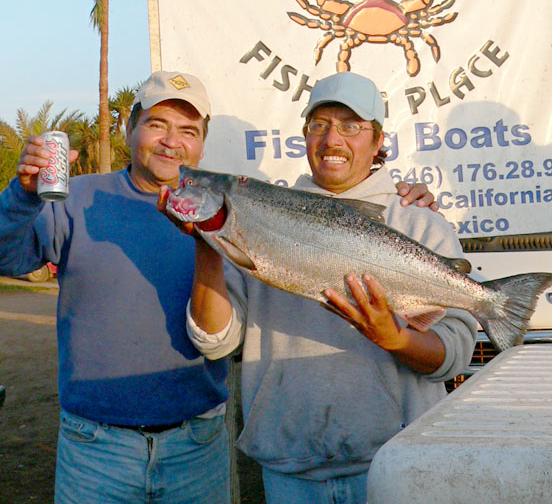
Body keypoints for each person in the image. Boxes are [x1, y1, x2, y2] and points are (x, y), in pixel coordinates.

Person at [175, 72, 478, 504]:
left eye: (351, 126)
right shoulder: (255, 217)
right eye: (319, 125)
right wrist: (207, 245)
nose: (332, 138)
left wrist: (397, 339)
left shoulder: (419, 221)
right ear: (305, 136)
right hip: (290, 469)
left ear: (377, 142)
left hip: (397, 464)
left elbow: (454, 353)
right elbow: (215, 341)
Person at [0, 70, 239, 503]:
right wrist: (23, 194)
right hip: (94, 450)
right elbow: (7, 257)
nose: (172, 141)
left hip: (197, 449)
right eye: (157, 125)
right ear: (129, 129)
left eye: (188, 131)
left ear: (202, 144)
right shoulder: (76, 197)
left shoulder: (222, 212)